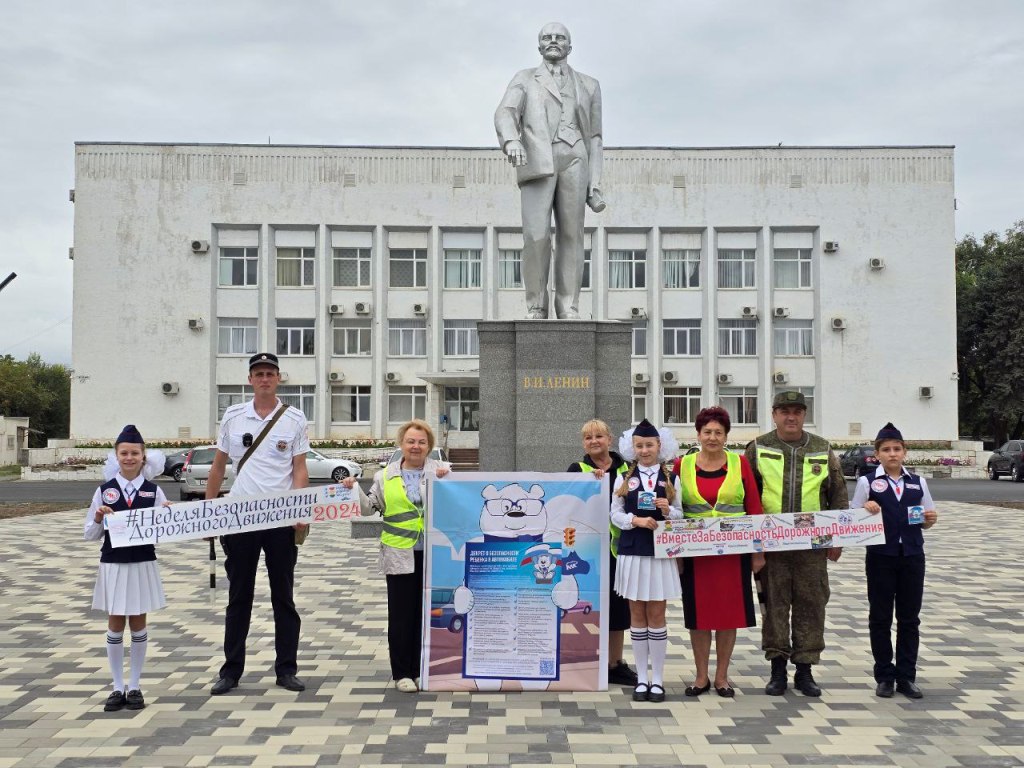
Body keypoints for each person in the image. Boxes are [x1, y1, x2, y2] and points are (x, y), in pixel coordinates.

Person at [207, 352, 310, 696]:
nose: (264, 379)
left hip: (280, 519)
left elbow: (298, 468)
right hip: (240, 517)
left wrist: (301, 509)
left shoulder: (294, 418)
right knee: (239, 597)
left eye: (270, 373)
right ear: (250, 380)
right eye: (258, 374)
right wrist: (209, 509)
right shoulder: (234, 416)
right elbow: (219, 466)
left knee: (284, 597)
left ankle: (286, 670)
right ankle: (230, 671)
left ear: (279, 378)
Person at [495, 21, 604, 320]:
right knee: (535, 235)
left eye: (560, 37)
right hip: (538, 160)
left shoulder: (590, 85)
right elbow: (505, 112)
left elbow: (595, 136)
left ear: (570, 46)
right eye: (547, 37)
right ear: (539, 46)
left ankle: (568, 306)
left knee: (572, 234)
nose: (553, 41)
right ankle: (536, 305)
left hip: (575, 158)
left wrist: (594, 183)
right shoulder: (526, 79)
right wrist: (511, 140)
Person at [745, 391, 848, 697]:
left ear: (804, 414)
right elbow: (747, 497)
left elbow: (838, 495)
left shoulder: (821, 448)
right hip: (772, 547)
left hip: (812, 548)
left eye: (797, 412)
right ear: (774, 414)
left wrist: (837, 538)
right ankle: (777, 669)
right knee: (775, 607)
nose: (791, 417)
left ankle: (805, 670)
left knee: (812, 606)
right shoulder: (758, 448)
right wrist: (755, 546)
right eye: (784, 411)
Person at [349, 419, 450, 692]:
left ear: (429, 446)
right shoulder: (386, 476)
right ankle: (402, 672)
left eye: (422, 442)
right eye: (411, 441)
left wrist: (447, 481)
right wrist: (352, 490)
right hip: (399, 554)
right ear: (401, 444)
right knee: (401, 616)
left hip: (434, 556)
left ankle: (421, 670)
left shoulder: (443, 472)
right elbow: (369, 508)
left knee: (429, 614)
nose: (416, 446)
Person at [676, 407, 765, 698]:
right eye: (707, 432)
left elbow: (754, 507)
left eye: (718, 432)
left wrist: (757, 552)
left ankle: (722, 677)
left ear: (726, 436)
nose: (712, 437)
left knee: (729, 615)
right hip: (696, 555)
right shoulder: (682, 465)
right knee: (698, 616)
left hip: (733, 554)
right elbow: (673, 509)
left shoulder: (740, 464)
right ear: (698, 434)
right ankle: (701, 676)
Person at [851, 422, 939, 699]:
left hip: (912, 555)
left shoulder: (917, 482)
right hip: (880, 557)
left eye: (897, 449)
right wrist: (867, 508)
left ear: (905, 452)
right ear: (877, 454)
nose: (892, 454)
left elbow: (926, 517)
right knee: (880, 616)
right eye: (886, 449)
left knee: (909, 618)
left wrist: (930, 521)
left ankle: (907, 676)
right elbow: (853, 518)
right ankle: (884, 675)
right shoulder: (868, 482)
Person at [84, 424, 167, 712]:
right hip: (114, 564)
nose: (129, 458)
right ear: (116, 456)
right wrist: (98, 517)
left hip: (142, 562)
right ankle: (116, 686)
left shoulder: (153, 492)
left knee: (139, 621)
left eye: (135, 453)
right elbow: (89, 535)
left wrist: (166, 518)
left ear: (144, 457)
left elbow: (164, 534)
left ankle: (135, 685)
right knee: (116, 621)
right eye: (124, 453)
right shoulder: (104, 491)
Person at [610, 418, 682, 703]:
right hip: (631, 551)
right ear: (632, 447)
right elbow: (613, 512)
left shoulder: (671, 478)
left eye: (649, 445)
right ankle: (641, 679)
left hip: (660, 554)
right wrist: (634, 520)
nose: (644, 450)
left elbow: (681, 515)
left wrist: (668, 512)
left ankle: (659, 680)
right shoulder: (624, 477)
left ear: (659, 446)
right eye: (639, 445)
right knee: (636, 616)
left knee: (657, 615)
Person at [566, 418, 636, 687]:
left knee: (618, 609)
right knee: (588, 608)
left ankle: (614, 663)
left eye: (599, 436)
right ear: (583, 443)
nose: (594, 441)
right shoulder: (578, 469)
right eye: (588, 437)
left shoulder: (628, 470)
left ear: (609, 439)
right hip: (588, 554)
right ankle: (590, 661)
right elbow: (568, 503)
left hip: (621, 550)